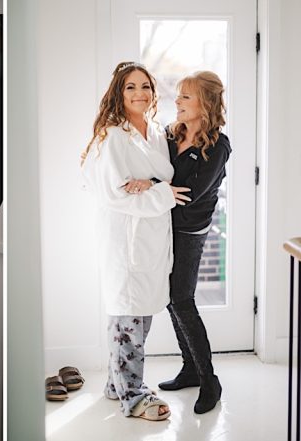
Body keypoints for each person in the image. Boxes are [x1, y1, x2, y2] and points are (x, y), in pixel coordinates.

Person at [80, 61, 191, 421]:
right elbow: (114, 194)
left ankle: (116, 384)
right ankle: (133, 396)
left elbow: (155, 183)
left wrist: (153, 187)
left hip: (154, 238)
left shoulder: (157, 132)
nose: (140, 93)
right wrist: (163, 194)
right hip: (125, 238)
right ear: (118, 92)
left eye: (145, 86)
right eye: (131, 87)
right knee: (127, 316)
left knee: (141, 314)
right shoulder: (113, 136)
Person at [127, 71, 229, 414]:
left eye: (186, 96)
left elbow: (191, 192)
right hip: (164, 225)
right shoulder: (172, 134)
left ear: (206, 104)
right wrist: (157, 183)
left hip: (190, 232)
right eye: (180, 95)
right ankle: (190, 369)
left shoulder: (218, 145)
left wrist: (152, 182)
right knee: (171, 299)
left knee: (181, 299)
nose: (178, 101)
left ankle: (209, 379)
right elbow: (167, 178)